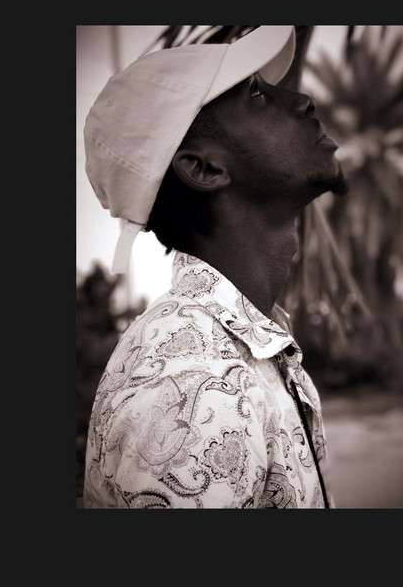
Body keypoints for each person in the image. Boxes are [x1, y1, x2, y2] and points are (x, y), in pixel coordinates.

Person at [81, 25, 348, 509]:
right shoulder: (193, 387)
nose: (302, 100)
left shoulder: (245, 348)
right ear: (204, 169)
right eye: (255, 96)